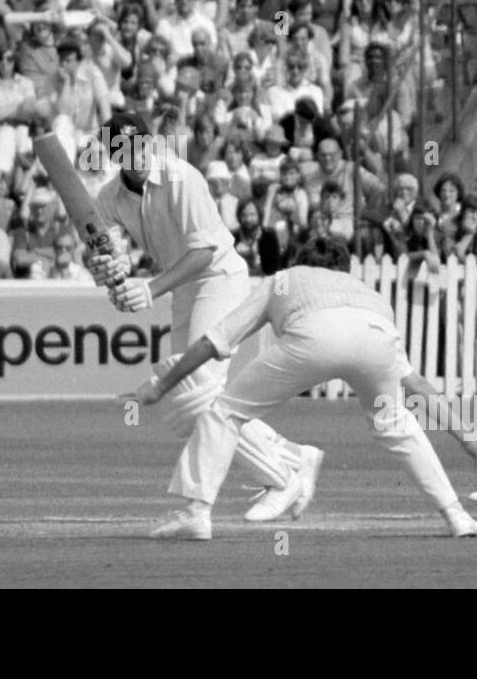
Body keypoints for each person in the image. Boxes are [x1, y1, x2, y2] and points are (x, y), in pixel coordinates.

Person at [123, 237, 477, 539]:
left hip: (312, 335)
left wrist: (161, 386)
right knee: (396, 424)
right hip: (374, 337)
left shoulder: (283, 279)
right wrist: (468, 435)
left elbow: (214, 341)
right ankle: (457, 515)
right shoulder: (365, 292)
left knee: (224, 412)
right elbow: (416, 383)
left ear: (300, 260)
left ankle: (197, 514)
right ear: (343, 268)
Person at [92, 111, 322, 521]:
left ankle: (279, 477)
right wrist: (110, 274)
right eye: (123, 151)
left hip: (220, 279)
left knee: (197, 386)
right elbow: (110, 254)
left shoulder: (183, 177)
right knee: (190, 396)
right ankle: (292, 456)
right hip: (183, 290)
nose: (135, 156)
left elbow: (203, 253)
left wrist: (148, 288)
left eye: (140, 146)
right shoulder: (109, 198)